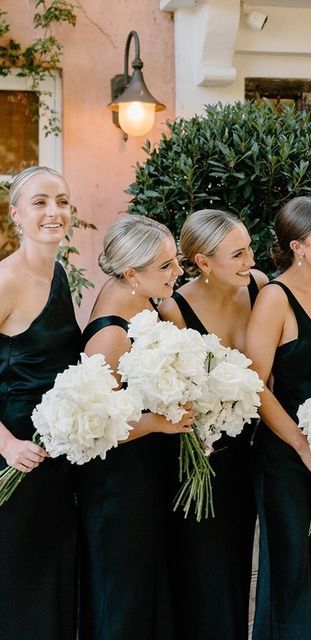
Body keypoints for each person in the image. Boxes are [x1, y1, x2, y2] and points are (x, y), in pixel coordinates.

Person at [76, 215, 194, 640]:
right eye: (165, 266)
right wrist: (159, 422)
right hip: (117, 487)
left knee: (145, 590)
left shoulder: (144, 302)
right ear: (131, 273)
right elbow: (91, 428)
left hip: (145, 473)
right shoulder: (109, 336)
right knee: (122, 595)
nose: (177, 272)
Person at [159, 208, 267, 640]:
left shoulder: (259, 288)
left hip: (252, 449)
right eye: (237, 254)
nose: (251, 261)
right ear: (203, 263)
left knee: (241, 561)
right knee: (206, 566)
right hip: (202, 456)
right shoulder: (176, 307)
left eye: (250, 249)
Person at [245, 196, 311, 640]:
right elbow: (255, 385)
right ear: (297, 246)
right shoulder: (274, 298)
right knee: (290, 568)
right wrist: (302, 447)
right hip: (286, 454)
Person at [0, 166, 81, 639]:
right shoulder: (6, 280)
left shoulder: (60, 273)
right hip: (15, 457)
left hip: (55, 451)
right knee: (17, 578)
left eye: (63, 201)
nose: (55, 212)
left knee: (51, 575)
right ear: (17, 215)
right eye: (40, 202)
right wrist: (7, 445)